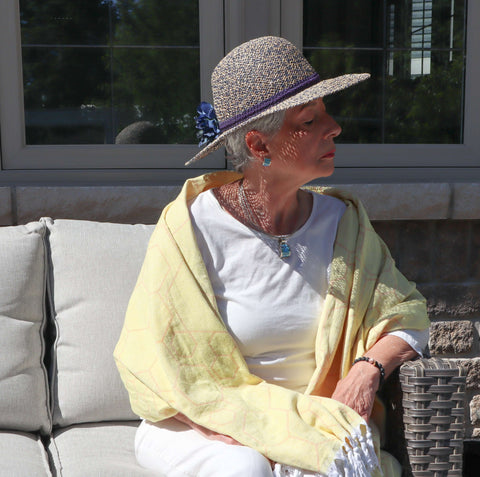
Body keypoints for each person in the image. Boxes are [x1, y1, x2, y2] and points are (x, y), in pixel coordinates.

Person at [114, 36, 430, 477]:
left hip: (310, 423)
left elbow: (408, 315)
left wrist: (367, 370)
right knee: (244, 468)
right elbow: (158, 360)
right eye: (310, 119)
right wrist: (250, 429)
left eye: (326, 112)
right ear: (260, 147)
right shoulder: (190, 227)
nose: (334, 126)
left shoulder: (344, 224)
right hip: (200, 426)